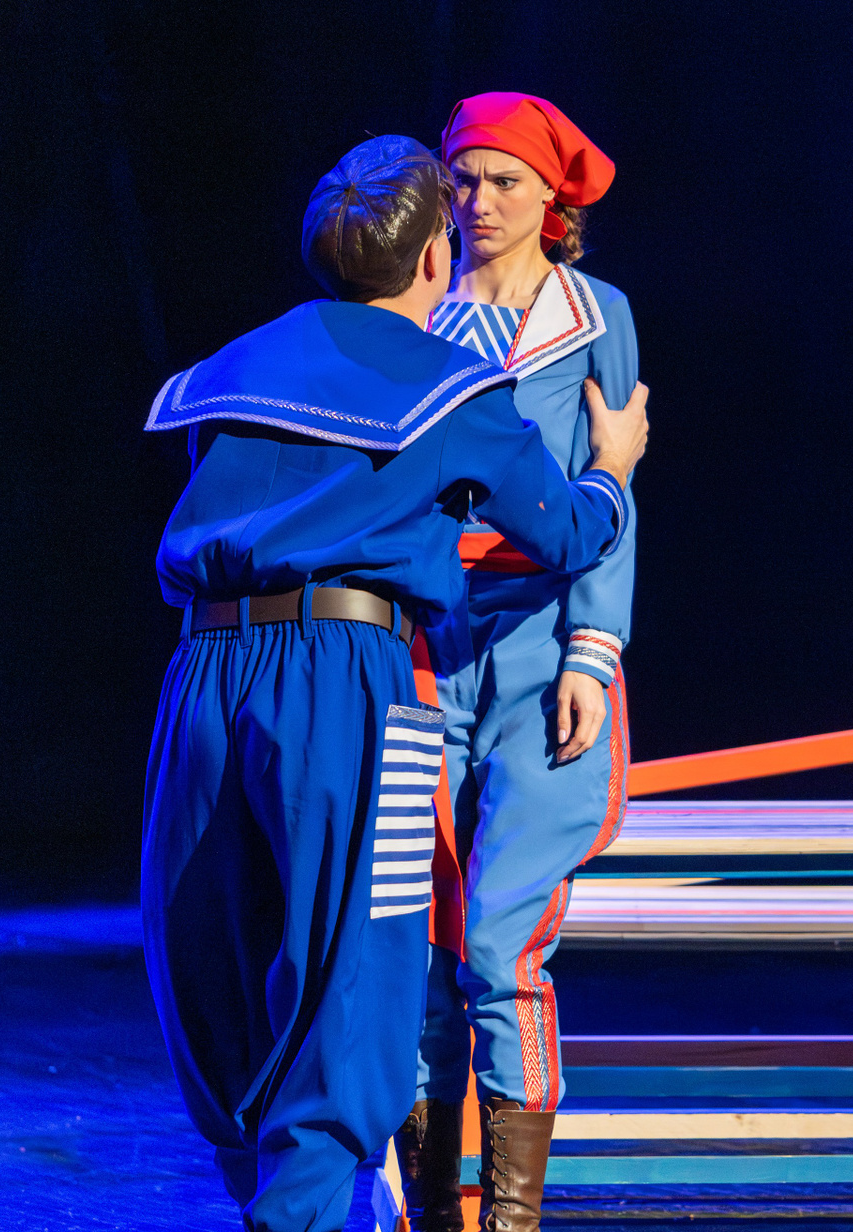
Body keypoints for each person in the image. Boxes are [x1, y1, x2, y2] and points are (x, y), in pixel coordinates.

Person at [139, 134, 650, 1232]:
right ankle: (307, 1211)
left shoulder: (233, 366)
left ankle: (277, 1196)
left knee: (217, 953)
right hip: (346, 678)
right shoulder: (450, 387)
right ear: (431, 258)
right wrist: (614, 463)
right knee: (354, 975)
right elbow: (566, 530)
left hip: (203, 675)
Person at [399, 93, 636, 1232]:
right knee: (417, 945)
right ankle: (428, 1210)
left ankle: (511, 1217)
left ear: (550, 196)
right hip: (428, 642)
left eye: (503, 181)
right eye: (463, 179)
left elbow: (613, 480)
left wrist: (593, 648)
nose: (478, 201)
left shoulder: (596, 315)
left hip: (544, 641)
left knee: (499, 945)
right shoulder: (415, 312)